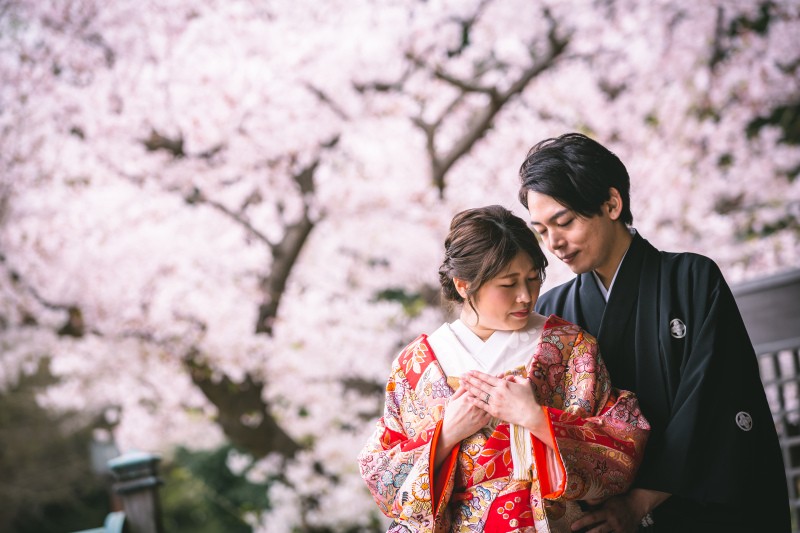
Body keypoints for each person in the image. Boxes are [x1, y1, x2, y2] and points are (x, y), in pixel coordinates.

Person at [519, 133, 790, 533]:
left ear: (612, 204)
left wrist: (639, 502)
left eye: (565, 222)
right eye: (541, 230)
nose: (554, 243)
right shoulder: (552, 312)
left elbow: (715, 401)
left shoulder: (692, 279)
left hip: (700, 513)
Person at [357, 205, 650, 533]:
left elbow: (624, 442)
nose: (526, 296)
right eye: (509, 284)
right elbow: (380, 473)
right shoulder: (416, 364)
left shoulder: (570, 347)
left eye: (532, 278)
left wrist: (536, 418)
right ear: (463, 285)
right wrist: (445, 435)